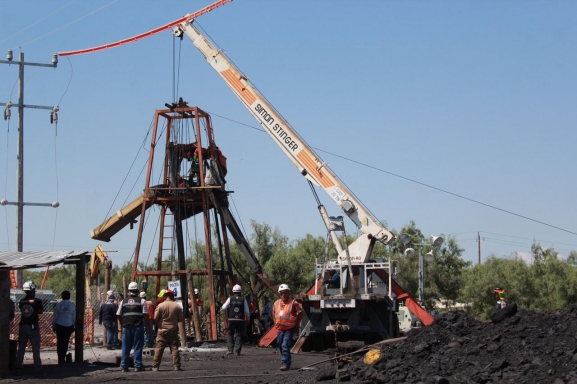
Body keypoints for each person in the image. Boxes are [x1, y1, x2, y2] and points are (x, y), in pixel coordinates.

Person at [117, 282, 150, 372]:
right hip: (138, 326)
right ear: (138, 290)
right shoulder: (142, 301)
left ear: (129, 291)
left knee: (125, 347)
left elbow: (118, 314)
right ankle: (138, 366)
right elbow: (146, 315)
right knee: (138, 346)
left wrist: (122, 323)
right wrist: (147, 327)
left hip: (126, 327)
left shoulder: (123, 301)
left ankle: (124, 366)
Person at [15, 281, 44, 377]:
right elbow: (40, 311)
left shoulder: (22, 302)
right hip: (33, 327)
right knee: (35, 348)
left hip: (23, 327)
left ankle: (18, 367)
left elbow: (23, 308)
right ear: (31, 290)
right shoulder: (37, 301)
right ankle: (38, 369)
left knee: (21, 348)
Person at [273, 284, 302, 371]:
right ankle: (287, 359)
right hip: (279, 329)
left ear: (288, 293)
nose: (283, 295)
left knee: (285, 345)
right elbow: (274, 314)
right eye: (281, 293)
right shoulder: (276, 303)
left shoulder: (293, 303)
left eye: (285, 293)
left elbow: (300, 313)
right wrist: (275, 324)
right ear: (279, 294)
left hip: (289, 329)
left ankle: (285, 363)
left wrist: (297, 324)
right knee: (280, 345)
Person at [152, 289, 183, 372]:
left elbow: (155, 318)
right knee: (174, 349)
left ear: (165, 296)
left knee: (159, 349)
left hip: (162, 331)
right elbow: (180, 319)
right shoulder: (177, 306)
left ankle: (155, 367)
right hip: (173, 330)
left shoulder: (160, 306)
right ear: (172, 296)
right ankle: (176, 366)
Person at [221, 284, 249, 356]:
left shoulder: (230, 298)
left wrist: (230, 307)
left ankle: (230, 350)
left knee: (230, 334)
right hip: (240, 319)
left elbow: (223, 307)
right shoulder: (243, 299)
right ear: (240, 291)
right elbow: (247, 311)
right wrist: (248, 319)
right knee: (239, 334)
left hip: (231, 319)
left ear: (233, 291)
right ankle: (237, 351)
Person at [52, 290, 76, 365]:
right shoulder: (72, 305)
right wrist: (73, 325)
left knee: (59, 342)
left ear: (62, 296)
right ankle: (63, 357)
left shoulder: (59, 304)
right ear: (69, 296)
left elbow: (55, 315)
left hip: (59, 324)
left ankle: (60, 358)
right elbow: (74, 316)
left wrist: (53, 324)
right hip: (68, 325)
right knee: (65, 342)